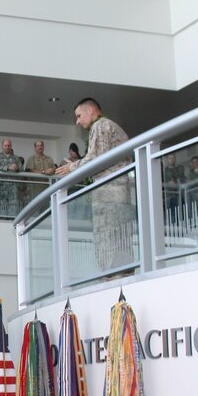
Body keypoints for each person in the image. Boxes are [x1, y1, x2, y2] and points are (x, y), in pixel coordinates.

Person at [56, 98, 133, 270]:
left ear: (90, 110)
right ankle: (120, 274)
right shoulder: (110, 126)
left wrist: (72, 167)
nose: (77, 121)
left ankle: (113, 276)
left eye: (78, 116)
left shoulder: (100, 126)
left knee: (108, 240)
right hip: (119, 193)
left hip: (110, 193)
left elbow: (97, 159)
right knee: (120, 240)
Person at [0, 139, 22, 217]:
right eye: (5, 145)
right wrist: (8, 167)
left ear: (11, 146)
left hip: (13, 186)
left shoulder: (16, 158)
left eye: (9, 145)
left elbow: (21, 169)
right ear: (2, 146)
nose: (7, 147)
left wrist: (17, 168)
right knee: (2, 208)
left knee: (13, 208)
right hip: (1, 186)